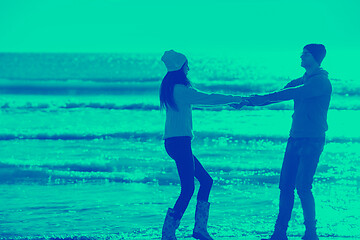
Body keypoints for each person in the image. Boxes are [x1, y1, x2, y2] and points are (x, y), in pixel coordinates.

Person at [234, 44, 332, 240]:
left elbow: (289, 94)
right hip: (294, 138)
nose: (301, 57)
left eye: (305, 54)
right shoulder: (301, 80)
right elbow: (277, 95)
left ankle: (311, 234)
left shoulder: (320, 82)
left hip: (312, 141)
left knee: (303, 187)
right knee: (285, 186)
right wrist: (249, 101)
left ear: (315, 57)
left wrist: (254, 100)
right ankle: (279, 234)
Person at [160, 50, 244, 240]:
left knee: (206, 181)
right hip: (179, 143)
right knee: (188, 188)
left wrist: (231, 101)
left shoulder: (171, 87)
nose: (189, 68)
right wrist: (235, 98)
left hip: (175, 142)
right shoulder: (180, 90)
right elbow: (209, 98)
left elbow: (207, 99)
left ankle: (199, 229)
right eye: (186, 65)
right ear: (180, 67)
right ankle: (169, 233)